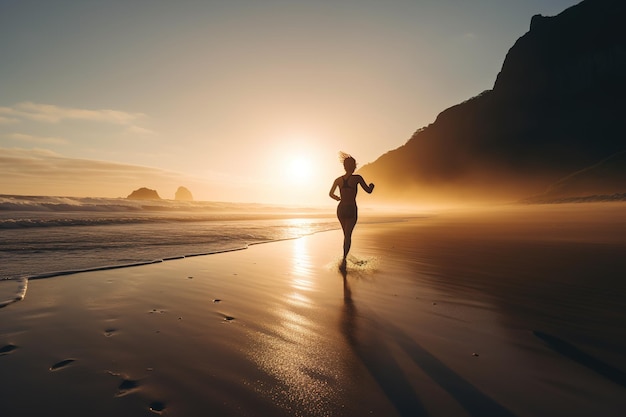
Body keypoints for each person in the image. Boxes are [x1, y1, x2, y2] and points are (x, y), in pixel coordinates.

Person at [328, 152, 374, 269]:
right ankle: (344, 260)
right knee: (348, 236)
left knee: (345, 235)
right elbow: (368, 191)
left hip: (341, 209)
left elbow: (330, 194)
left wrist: (338, 198)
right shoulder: (357, 178)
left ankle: (345, 258)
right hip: (351, 208)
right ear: (353, 166)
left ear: (344, 167)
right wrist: (372, 186)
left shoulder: (338, 180)